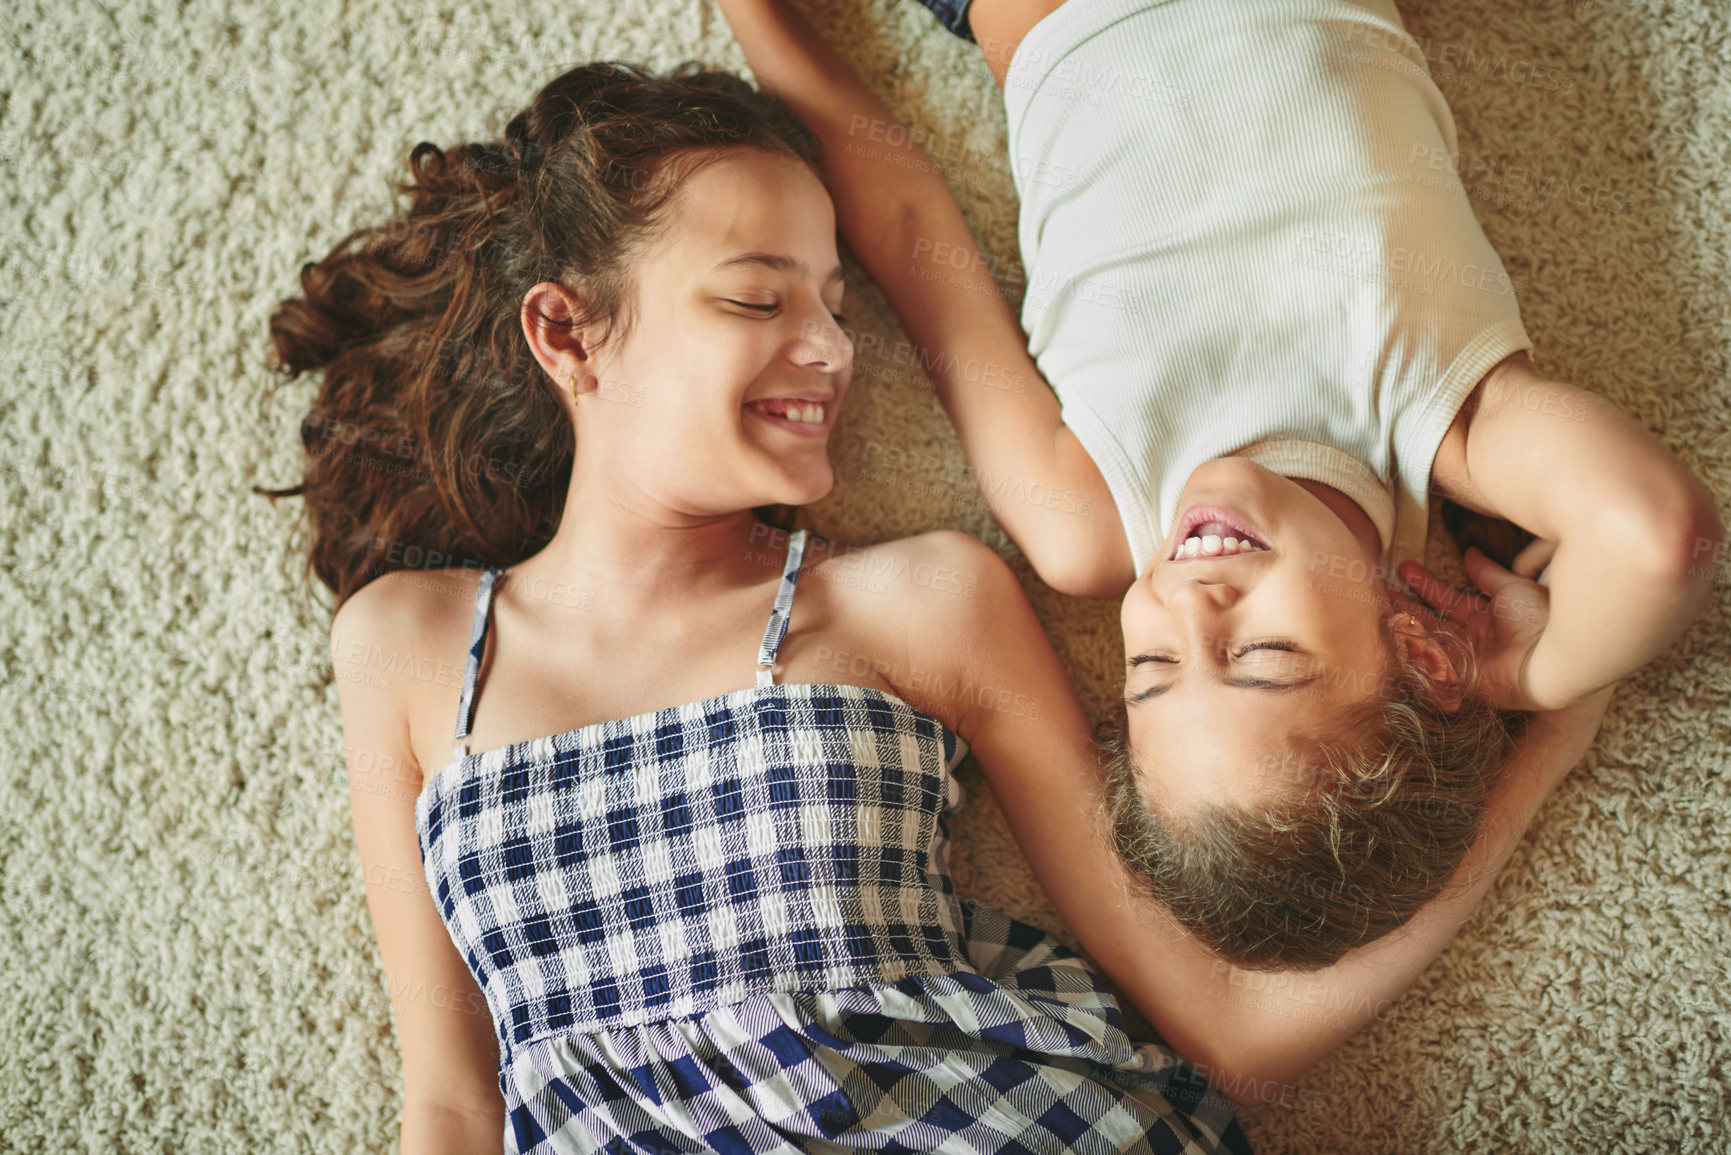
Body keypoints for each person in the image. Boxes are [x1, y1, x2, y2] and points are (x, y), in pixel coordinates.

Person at [263, 60, 1259, 1152]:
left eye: (835, 303)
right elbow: (453, 1100)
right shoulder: (406, 647)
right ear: (566, 332)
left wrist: (1487, 769)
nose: (833, 347)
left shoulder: (924, 601)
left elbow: (1218, 1020)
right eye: (757, 297)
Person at [714, 0, 1723, 971]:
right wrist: (1529, 674)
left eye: (1150, 668)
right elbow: (1656, 538)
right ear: (1420, 649)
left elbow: (899, 219)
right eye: (1262, 653)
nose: (1190, 608)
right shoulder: (1442, 422)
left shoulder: (1091, 516)